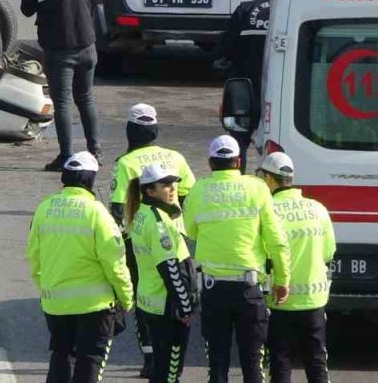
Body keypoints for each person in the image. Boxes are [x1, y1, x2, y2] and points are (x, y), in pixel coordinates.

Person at [183, 135, 291, 383]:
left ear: (210, 163)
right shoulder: (257, 188)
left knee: (218, 363)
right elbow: (276, 239)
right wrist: (282, 279)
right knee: (252, 363)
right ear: (238, 162)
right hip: (249, 289)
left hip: (213, 288)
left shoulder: (198, 190)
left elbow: (190, 231)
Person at [26, 152, 134, 383]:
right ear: (90, 180)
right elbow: (115, 262)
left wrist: (47, 287)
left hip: (55, 304)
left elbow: (33, 257)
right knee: (90, 360)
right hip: (94, 307)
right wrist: (126, 297)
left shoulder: (44, 208)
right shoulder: (97, 213)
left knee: (61, 355)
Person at [107, 104, 196, 377]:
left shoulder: (126, 163)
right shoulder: (176, 157)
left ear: (130, 131)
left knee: (145, 293)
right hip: (176, 236)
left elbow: (118, 208)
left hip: (141, 237)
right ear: (155, 130)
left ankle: (149, 356)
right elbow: (190, 195)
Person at [21, 0, 100, 171]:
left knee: (63, 103)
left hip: (60, 52)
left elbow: (26, 9)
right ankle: (95, 152)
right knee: (86, 98)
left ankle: (67, 156)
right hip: (88, 47)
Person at [258, 152, 334, 383]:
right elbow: (328, 252)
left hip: (279, 300)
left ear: (270, 179)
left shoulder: (266, 211)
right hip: (313, 300)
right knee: (316, 361)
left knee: (280, 362)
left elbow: (261, 256)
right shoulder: (317, 209)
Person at [125, 164, 197, 383]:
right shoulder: (159, 224)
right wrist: (185, 307)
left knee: (160, 369)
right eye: (165, 185)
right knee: (170, 372)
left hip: (150, 301)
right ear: (149, 191)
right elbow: (170, 269)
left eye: (174, 182)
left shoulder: (141, 213)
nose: (172, 188)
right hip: (167, 306)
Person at [218, 0, 271, 173]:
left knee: (239, 143)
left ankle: (237, 182)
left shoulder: (245, 9)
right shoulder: (290, 8)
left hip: (245, 91)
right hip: (279, 91)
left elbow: (226, 47)